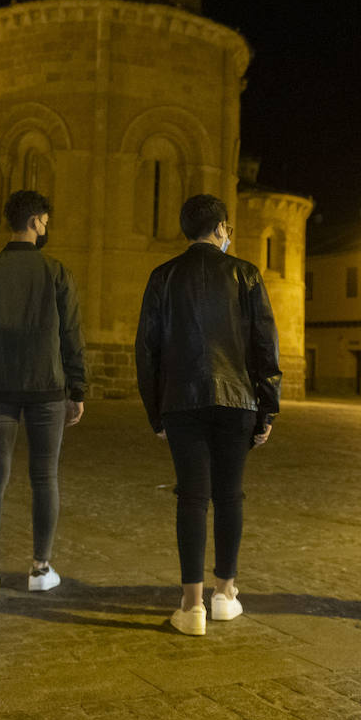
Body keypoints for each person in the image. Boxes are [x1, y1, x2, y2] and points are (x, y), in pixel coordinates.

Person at [135, 193, 281, 636]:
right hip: (237, 400)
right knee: (230, 495)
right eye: (227, 228)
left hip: (181, 400)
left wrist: (155, 411)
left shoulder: (163, 276)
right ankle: (225, 594)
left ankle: (191, 604)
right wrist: (268, 407)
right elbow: (264, 346)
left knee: (193, 497)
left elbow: (147, 349)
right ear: (220, 229)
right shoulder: (247, 274)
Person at [0, 190, 86, 599]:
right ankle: (40, 569)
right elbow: (71, 335)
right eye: (45, 221)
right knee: (44, 477)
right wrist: (77, 386)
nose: (46, 228)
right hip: (47, 387)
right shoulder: (56, 272)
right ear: (35, 221)